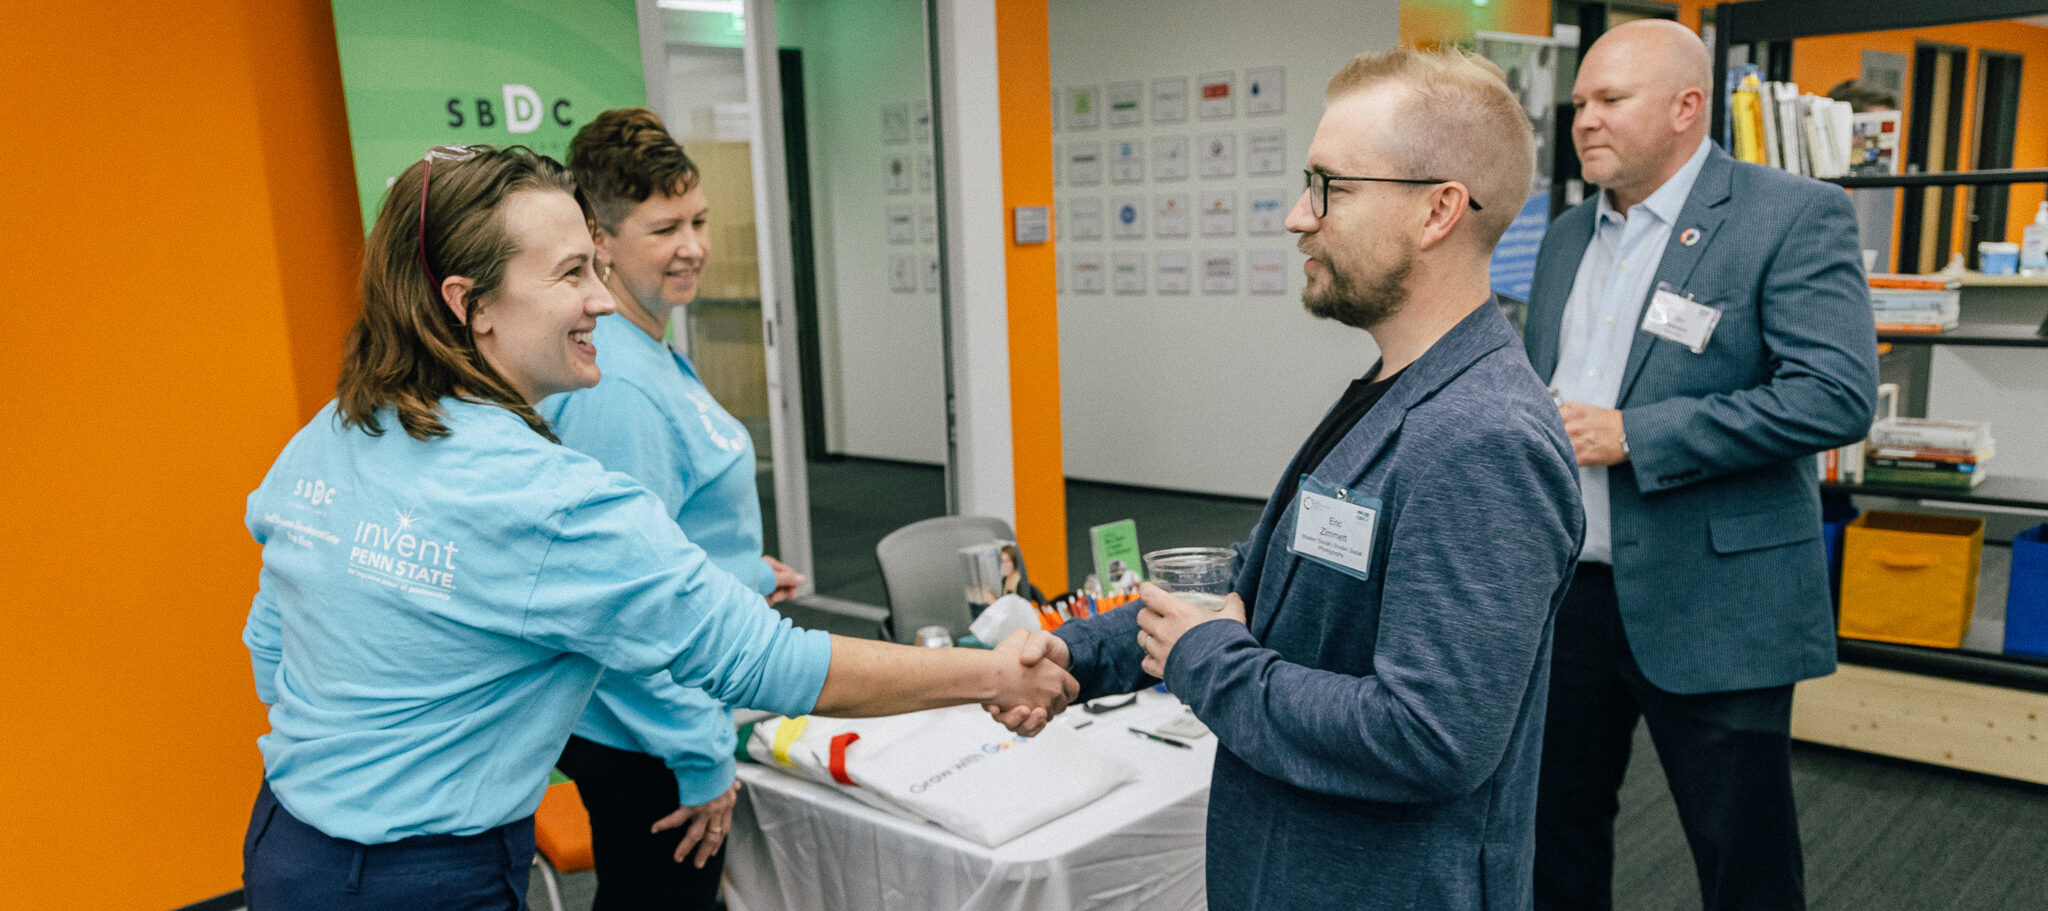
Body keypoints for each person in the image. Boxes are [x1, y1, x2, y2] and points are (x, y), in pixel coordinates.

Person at [240, 145, 1076, 909]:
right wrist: (992, 674)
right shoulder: (546, 497)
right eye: (572, 273)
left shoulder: (333, 430)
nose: (601, 297)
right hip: (423, 880)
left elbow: (272, 643)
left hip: (287, 848)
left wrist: (362, 767)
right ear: (472, 304)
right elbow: (767, 661)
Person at [1020, 47, 1582, 909]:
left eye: (1330, 186)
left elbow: (1429, 735)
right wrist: (1080, 651)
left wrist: (1208, 658)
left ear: (1438, 210)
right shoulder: (1402, 388)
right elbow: (1272, 585)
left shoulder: (1483, 436)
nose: (1296, 216)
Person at [1523, 20, 1878, 911]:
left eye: (1610, 100)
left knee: (1743, 860)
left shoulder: (1789, 214)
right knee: (1552, 838)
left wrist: (1637, 434)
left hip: (1719, 597)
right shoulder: (1566, 236)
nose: (1585, 121)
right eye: (1579, 104)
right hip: (1569, 595)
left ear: (1687, 107)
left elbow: (1833, 397)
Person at [534, 108, 784, 910]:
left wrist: (741, 572)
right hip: (652, 731)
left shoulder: (650, 349)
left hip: (667, 708)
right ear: (599, 241)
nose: (694, 246)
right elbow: (618, 599)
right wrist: (701, 753)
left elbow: (664, 536)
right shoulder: (621, 387)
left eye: (701, 220)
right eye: (665, 226)